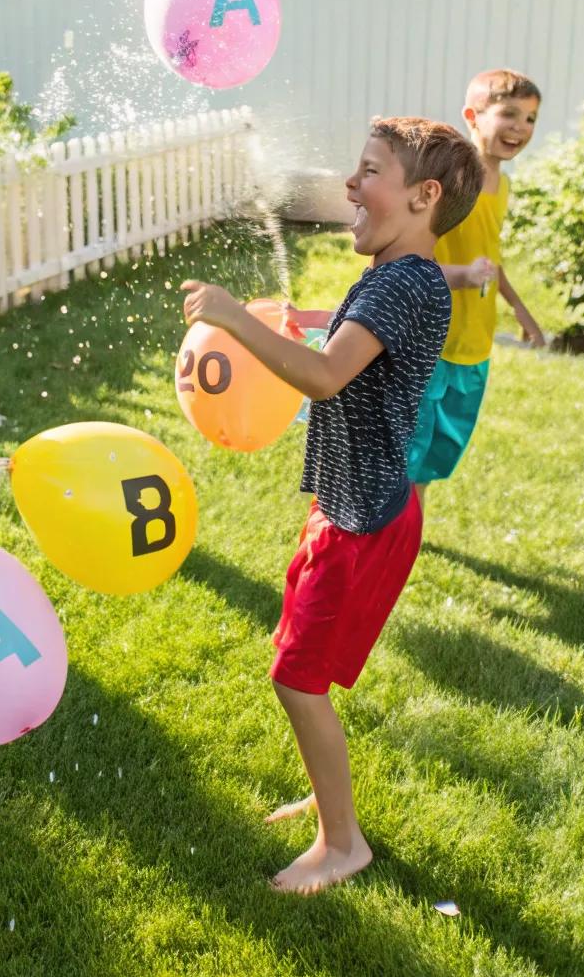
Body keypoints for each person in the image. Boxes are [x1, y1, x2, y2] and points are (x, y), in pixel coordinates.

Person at [182, 117, 482, 894]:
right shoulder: (404, 274)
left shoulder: (399, 281)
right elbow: (363, 337)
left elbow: (323, 380)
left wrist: (232, 317)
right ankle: (329, 793)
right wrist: (308, 322)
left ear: (423, 195)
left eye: (368, 170)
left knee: (297, 678)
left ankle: (343, 843)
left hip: (365, 520)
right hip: (354, 507)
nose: (349, 183)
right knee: (299, 657)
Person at [407, 69, 543, 504]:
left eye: (531, 119)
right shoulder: (447, 180)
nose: (521, 128)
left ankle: (410, 531)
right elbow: (410, 254)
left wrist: (522, 312)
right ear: (473, 116)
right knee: (407, 449)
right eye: (510, 114)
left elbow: (491, 257)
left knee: (435, 453)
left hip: (473, 341)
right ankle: (391, 535)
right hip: (431, 335)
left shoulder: (502, 185)